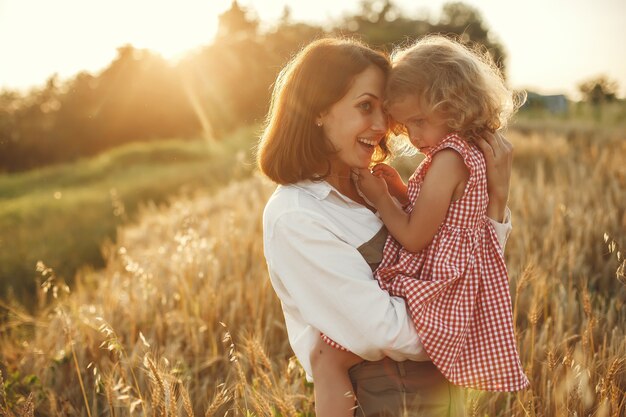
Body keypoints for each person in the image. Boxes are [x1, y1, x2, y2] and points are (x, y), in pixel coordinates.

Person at [258, 37, 515, 417]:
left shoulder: (372, 188)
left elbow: (459, 264)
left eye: (385, 111)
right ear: (317, 110)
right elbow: (382, 331)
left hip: (442, 400)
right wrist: (465, 323)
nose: (382, 127)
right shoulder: (297, 216)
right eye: (365, 107)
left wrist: (496, 203)